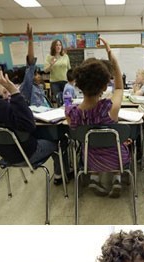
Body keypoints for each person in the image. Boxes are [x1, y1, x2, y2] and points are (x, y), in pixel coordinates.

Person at [0, 62, 64, 182]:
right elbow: (29, 125)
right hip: (27, 154)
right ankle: (61, 175)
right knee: (61, 139)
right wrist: (13, 91)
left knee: (43, 134)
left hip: (7, 156)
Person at [64, 36, 129, 197]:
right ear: (105, 85)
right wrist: (111, 56)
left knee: (90, 143)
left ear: (78, 85)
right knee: (126, 142)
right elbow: (120, 88)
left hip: (91, 161)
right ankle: (117, 179)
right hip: (117, 160)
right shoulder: (109, 109)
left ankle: (94, 178)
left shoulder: (71, 113)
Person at [18, 24, 51, 108]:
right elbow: (31, 63)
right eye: (35, 74)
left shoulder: (37, 86)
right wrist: (30, 40)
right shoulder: (27, 86)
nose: (39, 76)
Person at [44, 38, 70, 102]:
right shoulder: (49, 57)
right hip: (55, 82)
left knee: (67, 100)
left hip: (65, 81)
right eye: (56, 45)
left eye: (60, 45)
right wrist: (51, 64)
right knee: (59, 100)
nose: (58, 47)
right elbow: (45, 70)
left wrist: (72, 80)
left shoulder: (65, 56)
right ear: (53, 47)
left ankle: (67, 111)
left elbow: (69, 68)